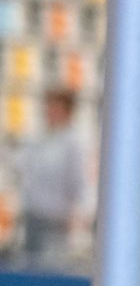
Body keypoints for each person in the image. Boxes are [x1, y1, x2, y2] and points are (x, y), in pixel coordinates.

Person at [16, 90, 88, 266]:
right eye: (48, 107)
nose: (49, 112)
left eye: (55, 108)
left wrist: (76, 217)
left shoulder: (73, 144)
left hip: (56, 224)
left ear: (67, 111)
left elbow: (78, 183)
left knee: (51, 266)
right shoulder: (40, 139)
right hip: (33, 218)